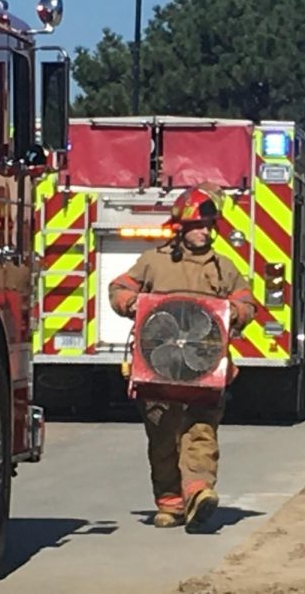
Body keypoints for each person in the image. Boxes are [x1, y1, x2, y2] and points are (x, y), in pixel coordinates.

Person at [108, 183, 256, 532]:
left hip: (205, 368)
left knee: (201, 431)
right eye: (197, 226)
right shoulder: (153, 262)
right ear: (181, 228)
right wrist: (128, 302)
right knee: (162, 436)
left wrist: (235, 312)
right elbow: (119, 288)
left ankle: (199, 491)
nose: (204, 231)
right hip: (157, 366)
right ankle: (170, 503)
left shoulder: (225, 268)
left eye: (208, 225)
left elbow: (248, 305)